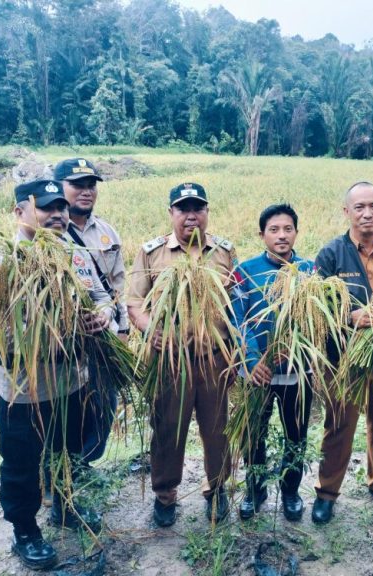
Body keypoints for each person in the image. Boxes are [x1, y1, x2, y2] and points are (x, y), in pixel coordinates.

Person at [0, 179, 113, 570]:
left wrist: (102, 315)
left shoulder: (75, 253)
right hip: (24, 392)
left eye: (61, 208)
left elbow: (103, 297)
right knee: (20, 463)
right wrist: (58, 329)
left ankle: (65, 507)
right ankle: (25, 531)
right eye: (46, 208)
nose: (58, 215)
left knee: (68, 452)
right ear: (19, 213)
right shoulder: (0, 262)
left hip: (73, 384)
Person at [127, 182, 237, 527]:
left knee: (218, 429)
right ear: (171, 213)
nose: (192, 216)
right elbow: (133, 302)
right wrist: (150, 330)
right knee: (167, 428)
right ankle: (165, 494)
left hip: (213, 358)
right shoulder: (152, 253)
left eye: (198, 208)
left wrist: (235, 353)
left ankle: (217, 489)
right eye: (183, 209)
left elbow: (239, 305)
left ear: (206, 213)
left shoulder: (223, 252)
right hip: (170, 360)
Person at [311, 181, 373, 525]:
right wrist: (350, 317)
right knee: (339, 424)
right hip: (345, 358)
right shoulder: (331, 254)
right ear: (346, 212)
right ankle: (326, 492)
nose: (368, 213)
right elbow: (317, 309)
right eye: (360, 207)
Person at [232, 204, 315, 522]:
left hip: (296, 372)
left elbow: (315, 320)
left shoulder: (310, 270)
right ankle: (255, 490)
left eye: (288, 229)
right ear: (262, 234)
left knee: (297, 434)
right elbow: (237, 318)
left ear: (296, 232)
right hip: (256, 374)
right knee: (253, 434)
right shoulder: (245, 270)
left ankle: (291, 491)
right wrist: (252, 361)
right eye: (274, 230)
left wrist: (296, 349)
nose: (282, 235)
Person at [54, 157, 128, 469]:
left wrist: (121, 328)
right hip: (63, 346)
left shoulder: (107, 232)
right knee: (65, 415)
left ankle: (78, 468)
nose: (86, 192)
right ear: (59, 188)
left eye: (91, 185)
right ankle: (59, 475)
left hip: (103, 339)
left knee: (104, 411)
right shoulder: (50, 230)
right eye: (77, 185)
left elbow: (117, 287)